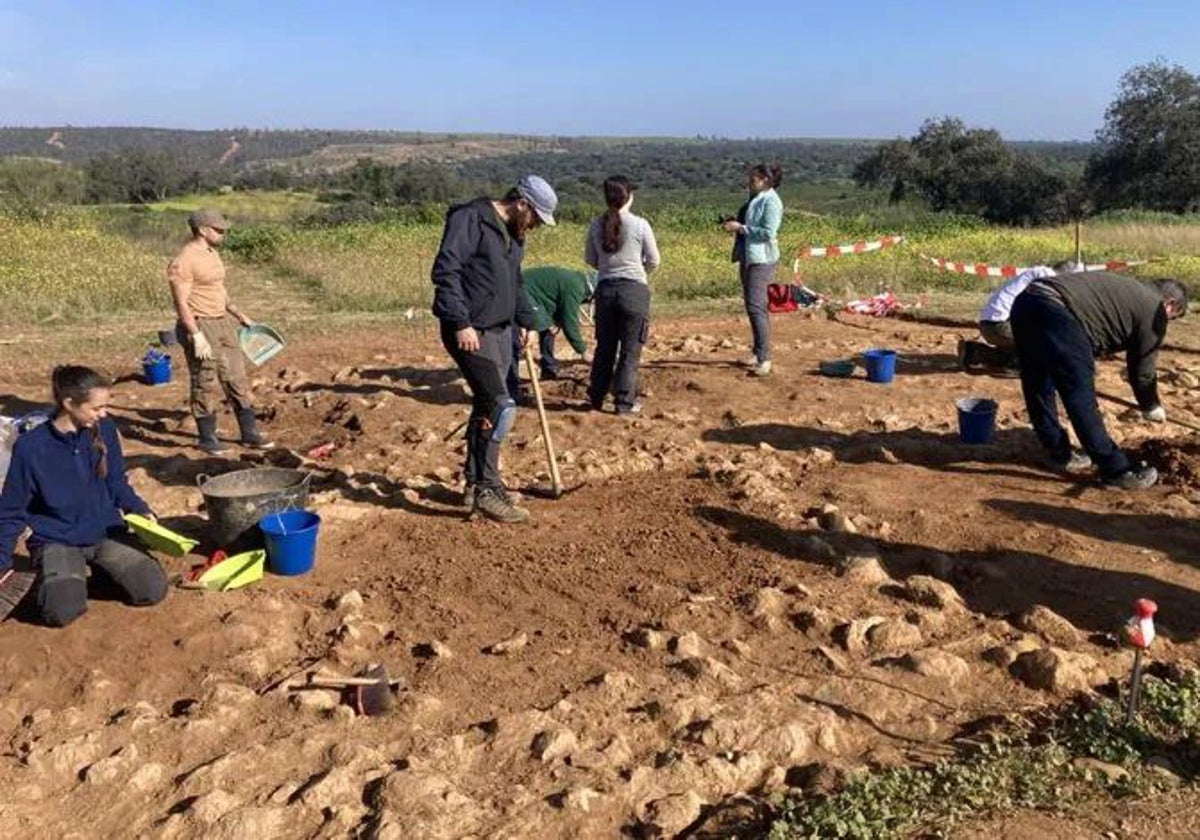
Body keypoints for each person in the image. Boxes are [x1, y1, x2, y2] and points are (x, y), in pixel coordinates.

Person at [0, 366, 168, 627]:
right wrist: (1, 563)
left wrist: (139, 510)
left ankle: (93, 575)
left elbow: (116, 481)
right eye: (96, 408)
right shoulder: (31, 448)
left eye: (105, 407)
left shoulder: (105, 430)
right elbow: (11, 512)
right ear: (69, 403)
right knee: (61, 612)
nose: (103, 414)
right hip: (57, 538)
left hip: (105, 532)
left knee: (151, 589)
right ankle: (58, 583)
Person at [432, 175, 557, 523]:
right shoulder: (470, 218)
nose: (535, 227)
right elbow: (446, 271)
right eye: (536, 218)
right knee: (500, 405)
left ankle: (474, 483)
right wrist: (460, 322)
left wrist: (528, 322)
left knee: (489, 404)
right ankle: (488, 489)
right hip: (470, 331)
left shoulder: (515, 236)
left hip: (502, 331)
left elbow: (514, 283)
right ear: (522, 203)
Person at [1010, 271, 1188, 489]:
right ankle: (1116, 470)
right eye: (1173, 316)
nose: (1167, 321)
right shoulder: (1154, 309)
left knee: (1038, 381)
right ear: (1170, 303)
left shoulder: (1128, 290)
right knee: (1080, 395)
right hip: (1058, 314)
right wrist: (1151, 405)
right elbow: (1142, 369)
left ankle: (1057, 453)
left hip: (1026, 302)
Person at [168, 209, 273, 454]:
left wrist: (239, 314)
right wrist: (195, 335)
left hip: (223, 321)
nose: (223, 233)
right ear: (203, 230)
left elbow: (218, 288)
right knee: (205, 380)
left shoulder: (212, 253)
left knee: (236, 377)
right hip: (200, 322)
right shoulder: (184, 260)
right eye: (218, 229)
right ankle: (207, 438)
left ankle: (249, 434)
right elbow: (180, 303)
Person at [586, 176, 660, 414]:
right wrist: (639, 271)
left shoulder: (596, 224)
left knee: (604, 348)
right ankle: (623, 403)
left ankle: (596, 398)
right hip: (634, 292)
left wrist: (609, 268)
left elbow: (590, 259)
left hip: (606, 291)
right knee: (630, 350)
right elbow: (654, 260)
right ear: (629, 197)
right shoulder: (640, 225)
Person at [959, 260, 1085, 369]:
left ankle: (975, 352)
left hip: (990, 326)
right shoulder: (1047, 277)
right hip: (1000, 327)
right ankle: (1017, 364)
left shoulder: (1037, 273)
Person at [722, 164, 784, 376]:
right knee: (754, 306)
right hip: (748, 257)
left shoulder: (772, 202)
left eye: (754, 178)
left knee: (756, 307)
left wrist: (740, 228)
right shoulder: (755, 198)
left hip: (761, 260)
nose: (749, 181)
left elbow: (768, 233)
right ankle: (758, 352)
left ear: (765, 180)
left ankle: (765, 357)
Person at [505, 266, 596, 394]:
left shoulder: (577, 282)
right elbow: (570, 323)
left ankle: (548, 369)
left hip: (536, 295)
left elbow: (557, 302)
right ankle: (512, 386)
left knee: (549, 328)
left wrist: (556, 322)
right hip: (522, 292)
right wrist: (583, 351)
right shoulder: (576, 288)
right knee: (517, 341)